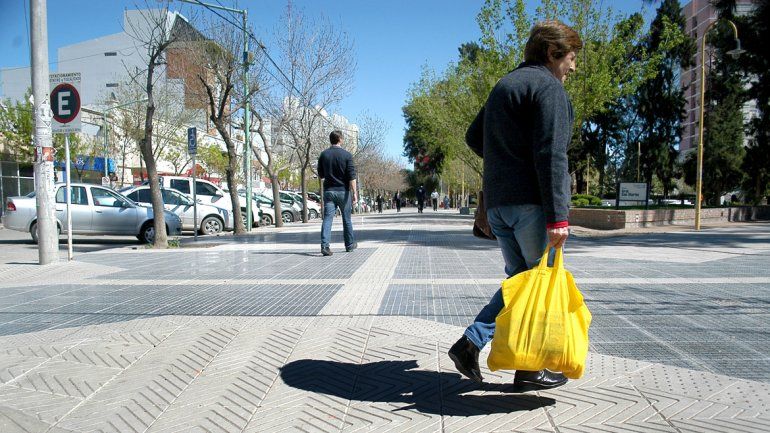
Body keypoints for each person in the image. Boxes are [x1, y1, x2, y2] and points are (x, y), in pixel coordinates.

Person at [448, 20, 580, 390]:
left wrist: (504, 162)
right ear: (553, 54)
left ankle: (527, 369)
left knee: (522, 283)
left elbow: (475, 136)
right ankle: (472, 342)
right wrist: (558, 217)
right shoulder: (548, 88)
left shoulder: (504, 86)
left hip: (500, 205)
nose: (573, 67)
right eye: (571, 59)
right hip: (532, 207)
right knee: (535, 283)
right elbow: (552, 155)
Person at [317, 130, 357, 256]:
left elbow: (321, 174)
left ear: (331, 140)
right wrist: (354, 193)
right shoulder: (347, 155)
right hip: (343, 192)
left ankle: (325, 246)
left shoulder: (323, 155)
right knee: (347, 220)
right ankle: (349, 245)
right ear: (340, 139)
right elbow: (352, 176)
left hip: (329, 191)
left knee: (327, 219)